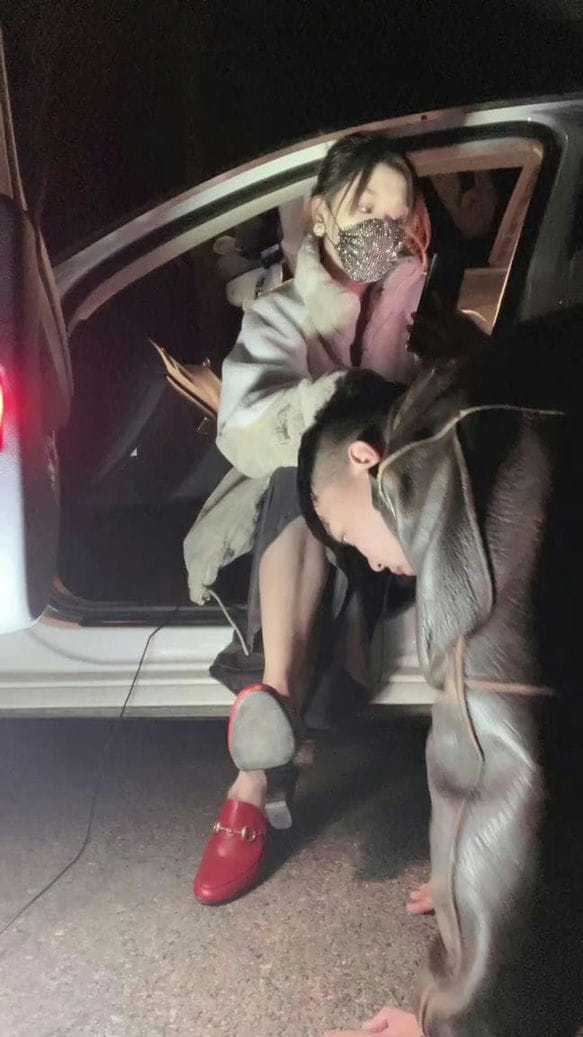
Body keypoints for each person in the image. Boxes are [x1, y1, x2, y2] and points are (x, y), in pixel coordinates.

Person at [293, 307, 583, 1036]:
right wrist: (465, 874)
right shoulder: (505, 382)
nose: (373, 563)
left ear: (366, 460)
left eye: (349, 536)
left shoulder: (449, 463)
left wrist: (449, 1019)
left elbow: (499, 766)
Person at [184, 130, 433, 907]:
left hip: (387, 527)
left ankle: (261, 756)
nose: (379, 230)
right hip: (297, 516)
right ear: (320, 213)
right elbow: (244, 432)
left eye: (395, 215)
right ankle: (277, 714)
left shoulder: (418, 314)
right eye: (364, 209)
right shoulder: (278, 316)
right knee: (301, 472)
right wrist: (337, 401)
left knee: (338, 481)